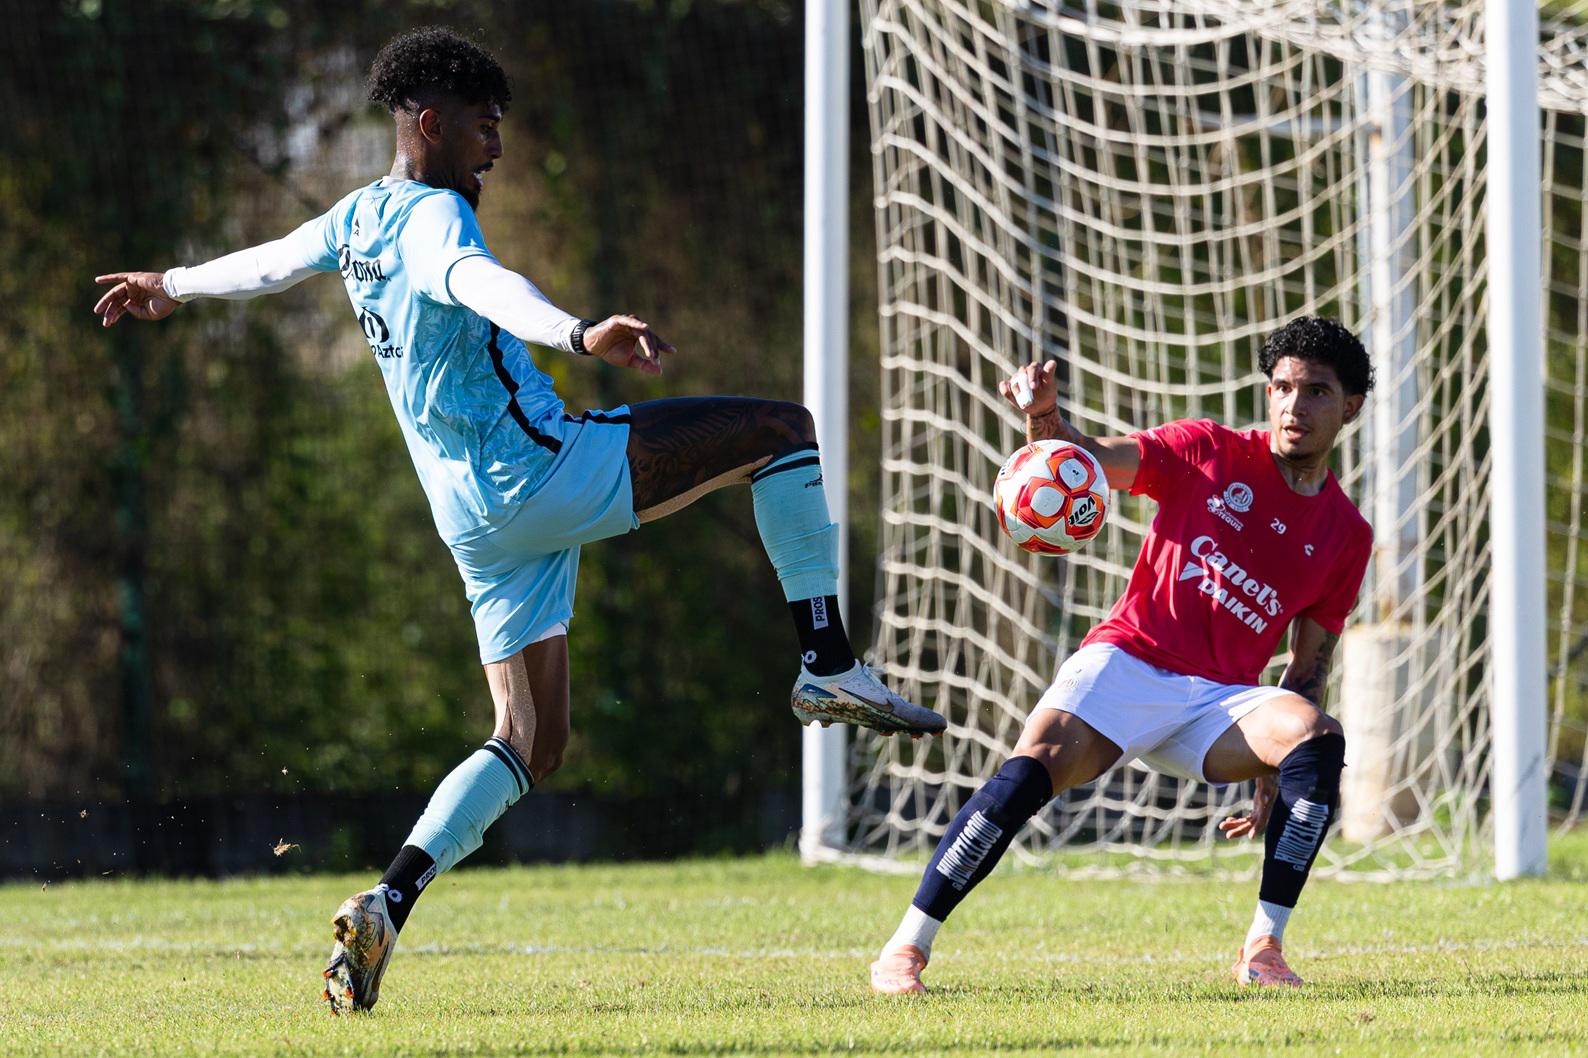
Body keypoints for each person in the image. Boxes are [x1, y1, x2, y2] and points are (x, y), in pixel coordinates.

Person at [92, 26, 945, 1015]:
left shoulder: (359, 217)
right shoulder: (431, 220)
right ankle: (825, 660)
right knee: (782, 431)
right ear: (429, 123)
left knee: (532, 741)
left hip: (474, 523)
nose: (493, 145)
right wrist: (578, 331)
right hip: (540, 473)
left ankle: (386, 900)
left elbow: (272, 263)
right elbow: (480, 284)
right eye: (482, 127)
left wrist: (173, 284)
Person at [868, 316, 1374, 993]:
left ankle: (1265, 949)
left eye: (1315, 392)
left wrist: (1277, 769)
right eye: (1282, 387)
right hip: (1131, 661)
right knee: (1031, 769)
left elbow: (1308, 667)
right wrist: (1044, 417)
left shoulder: (1347, 533)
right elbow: (1081, 460)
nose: (1293, 405)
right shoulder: (1208, 450)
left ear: (1350, 407)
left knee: (1318, 738)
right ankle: (906, 949)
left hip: (1221, 704)